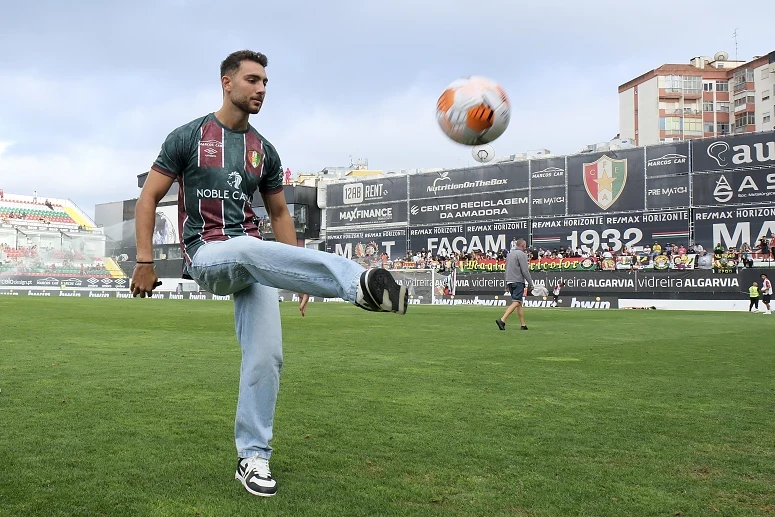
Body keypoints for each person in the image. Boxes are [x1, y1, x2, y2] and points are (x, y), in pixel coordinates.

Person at [129, 50, 409, 497]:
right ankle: (357, 283)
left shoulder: (264, 151)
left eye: (265, 83)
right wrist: (144, 260)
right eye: (253, 80)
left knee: (267, 357)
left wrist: (294, 275)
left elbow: (279, 213)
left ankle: (253, 457)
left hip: (255, 261)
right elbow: (148, 199)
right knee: (244, 246)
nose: (261, 89)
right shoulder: (187, 137)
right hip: (208, 257)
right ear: (227, 83)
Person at [496, 238, 533, 331]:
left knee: (519, 302)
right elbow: (525, 270)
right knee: (516, 301)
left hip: (510, 280)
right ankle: (502, 320)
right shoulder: (522, 255)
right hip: (518, 281)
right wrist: (530, 282)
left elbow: (506, 269)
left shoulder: (509, 255)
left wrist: (506, 284)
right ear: (523, 245)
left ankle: (523, 325)